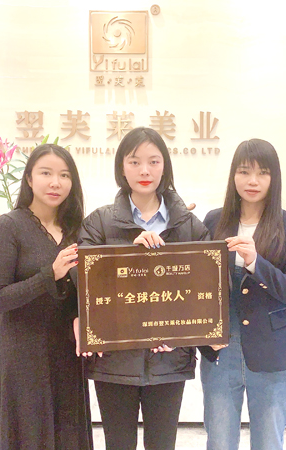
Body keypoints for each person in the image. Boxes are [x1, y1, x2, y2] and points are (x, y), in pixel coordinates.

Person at [78, 127, 209, 450]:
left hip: (169, 360)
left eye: (153, 161)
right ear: (122, 168)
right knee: (118, 444)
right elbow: (82, 282)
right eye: (134, 162)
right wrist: (128, 256)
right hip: (114, 360)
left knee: (162, 444)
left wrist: (180, 332)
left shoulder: (189, 225)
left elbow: (205, 288)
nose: (145, 171)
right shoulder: (99, 222)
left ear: (165, 166)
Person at [199, 139, 286, 450]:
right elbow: (199, 288)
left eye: (263, 172)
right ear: (233, 176)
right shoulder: (213, 221)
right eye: (244, 171)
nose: (252, 181)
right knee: (219, 442)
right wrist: (203, 337)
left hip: (273, 351)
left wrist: (255, 263)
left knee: (268, 442)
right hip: (221, 352)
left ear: (274, 178)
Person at [0, 144, 92, 450]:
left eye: (64, 175)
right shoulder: (9, 227)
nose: (56, 182)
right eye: (46, 173)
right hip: (21, 354)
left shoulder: (77, 229)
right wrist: (49, 274)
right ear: (29, 178)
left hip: (66, 353)